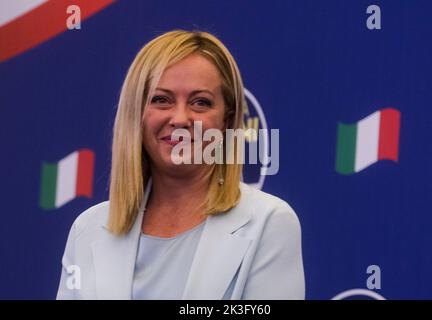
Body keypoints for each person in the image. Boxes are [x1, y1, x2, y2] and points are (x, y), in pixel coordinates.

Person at [56, 30, 305, 300]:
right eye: (161, 99)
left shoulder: (269, 222)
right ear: (136, 113)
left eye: (200, 102)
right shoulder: (88, 229)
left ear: (226, 120)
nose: (180, 118)